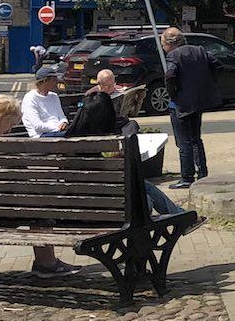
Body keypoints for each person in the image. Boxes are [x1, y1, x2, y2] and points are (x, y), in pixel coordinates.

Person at [0, 93, 78, 278]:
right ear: (3, 117)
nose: (10, 129)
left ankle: (47, 262)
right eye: (11, 123)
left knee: (38, 205)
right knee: (40, 210)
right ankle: (46, 263)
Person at [66, 70, 183, 216]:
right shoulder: (102, 141)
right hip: (104, 205)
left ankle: (179, 214)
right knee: (144, 196)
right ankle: (179, 215)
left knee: (143, 187)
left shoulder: (72, 141)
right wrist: (117, 159)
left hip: (78, 201)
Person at [163, 27, 220, 190]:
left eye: (163, 44)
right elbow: (217, 65)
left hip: (180, 103)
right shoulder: (200, 50)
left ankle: (187, 177)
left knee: (184, 142)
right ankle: (202, 173)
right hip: (198, 101)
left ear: (169, 43)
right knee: (196, 139)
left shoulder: (173, 55)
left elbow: (170, 75)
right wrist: (207, 83)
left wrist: (173, 92)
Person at [21, 66, 70, 137]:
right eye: (54, 80)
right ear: (44, 81)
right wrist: (57, 127)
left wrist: (64, 122)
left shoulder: (54, 96)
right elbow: (37, 126)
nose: (57, 82)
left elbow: (61, 116)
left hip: (57, 132)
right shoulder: (30, 98)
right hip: (41, 136)